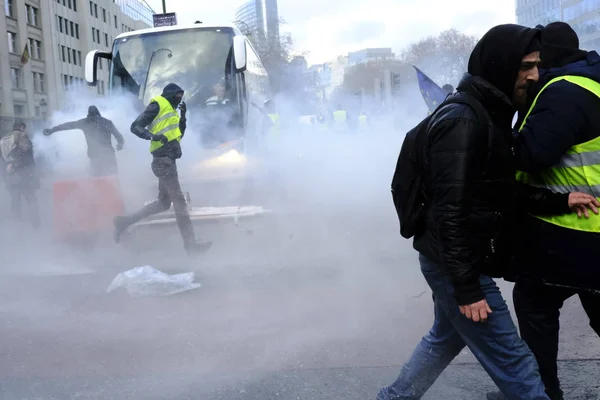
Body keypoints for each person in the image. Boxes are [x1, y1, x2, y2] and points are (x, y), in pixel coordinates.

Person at [377, 24, 599, 400]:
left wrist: (560, 201)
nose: (535, 75)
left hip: (460, 260)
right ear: (500, 66)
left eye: (537, 65)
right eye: (526, 66)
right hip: (456, 265)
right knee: (517, 366)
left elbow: (500, 192)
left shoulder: (488, 114)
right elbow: (451, 214)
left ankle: (393, 397)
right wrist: (466, 290)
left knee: (443, 340)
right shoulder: (465, 121)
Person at [488, 22, 600, 400]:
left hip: (571, 230)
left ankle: (542, 392)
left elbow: (532, 153)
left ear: (546, 57)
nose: (531, 72)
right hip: (586, 227)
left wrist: (498, 132)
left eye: (535, 62)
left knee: (535, 305)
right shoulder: (590, 82)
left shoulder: (563, 91)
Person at [113, 83, 212, 255]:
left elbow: (178, 134)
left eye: (181, 96)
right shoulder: (157, 104)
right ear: (170, 94)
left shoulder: (172, 110)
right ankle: (191, 245)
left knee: (164, 203)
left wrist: (183, 116)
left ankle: (124, 222)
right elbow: (135, 126)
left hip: (168, 161)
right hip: (162, 161)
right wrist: (153, 136)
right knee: (179, 201)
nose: (179, 99)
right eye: (177, 96)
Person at [43, 105, 124, 177]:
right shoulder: (107, 122)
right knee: (113, 177)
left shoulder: (85, 122)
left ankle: (97, 193)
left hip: (95, 156)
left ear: (88, 113)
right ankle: (114, 193)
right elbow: (119, 137)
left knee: (97, 180)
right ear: (98, 113)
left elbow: (68, 125)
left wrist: (52, 130)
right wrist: (120, 144)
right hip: (109, 155)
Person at [1, 121, 40, 228]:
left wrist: (6, 170)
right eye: (24, 128)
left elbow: (2, 160)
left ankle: (18, 230)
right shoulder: (21, 135)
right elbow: (27, 156)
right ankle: (37, 227)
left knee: (15, 202)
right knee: (32, 200)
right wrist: (34, 174)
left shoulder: (3, 139)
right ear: (21, 127)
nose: (25, 130)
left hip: (9, 176)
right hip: (23, 175)